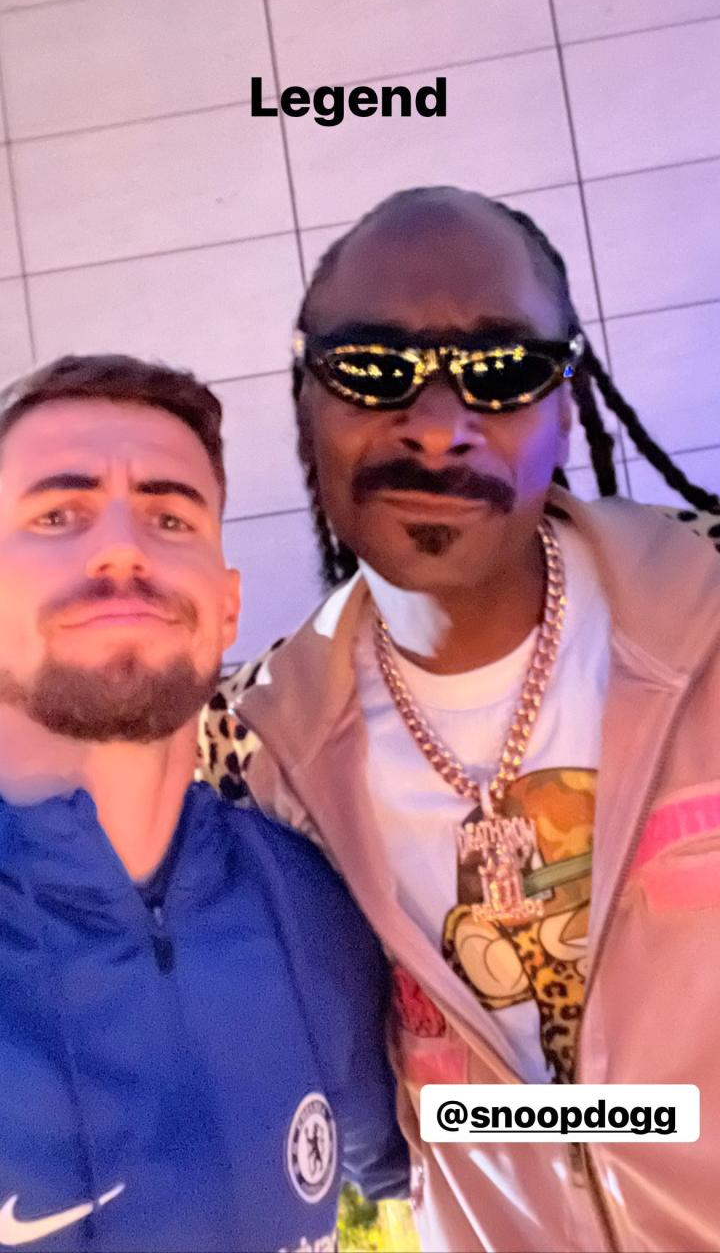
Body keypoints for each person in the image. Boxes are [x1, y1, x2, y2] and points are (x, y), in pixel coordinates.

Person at [200, 186, 720, 1253]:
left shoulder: (709, 614)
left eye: (503, 369)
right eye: (373, 368)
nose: (438, 426)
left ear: (566, 405)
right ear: (306, 404)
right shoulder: (252, 763)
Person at [0, 354, 408, 1253]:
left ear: (226, 608)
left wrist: (664, 1109)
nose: (122, 547)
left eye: (170, 516)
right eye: (57, 514)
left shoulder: (309, 900)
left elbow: (463, 1138)